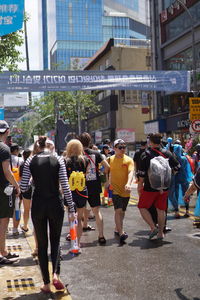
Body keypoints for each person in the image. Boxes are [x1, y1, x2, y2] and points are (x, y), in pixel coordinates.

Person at [20, 136, 75, 293]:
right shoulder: (58, 159)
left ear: (38, 146)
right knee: (56, 239)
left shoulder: (31, 161)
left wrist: (32, 181)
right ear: (50, 146)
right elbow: (65, 185)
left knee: (42, 244)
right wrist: (71, 207)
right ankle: (56, 274)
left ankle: (45, 283)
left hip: (38, 204)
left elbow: (24, 187)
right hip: (55, 203)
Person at [137, 133, 180, 240]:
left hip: (149, 187)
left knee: (142, 207)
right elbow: (177, 167)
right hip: (164, 187)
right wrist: (169, 175)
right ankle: (161, 232)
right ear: (160, 141)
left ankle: (153, 227)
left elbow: (141, 174)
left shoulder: (146, 154)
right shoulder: (167, 153)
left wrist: (139, 186)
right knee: (161, 209)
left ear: (150, 142)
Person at [79, 132, 109, 245]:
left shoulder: (78, 154)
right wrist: (101, 174)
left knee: (80, 211)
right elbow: (107, 167)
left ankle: (77, 238)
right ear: (90, 141)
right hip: (94, 185)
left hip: (80, 185)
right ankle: (101, 235)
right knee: (96, 211)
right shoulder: (96, 153)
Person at [0, 120, 20, 265]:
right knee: (3, 222)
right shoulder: (4, 149)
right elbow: (7, 172)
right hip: (3, 191)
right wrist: (16, 186)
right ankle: (2, 253)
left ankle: (4, 251)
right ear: (7, 132)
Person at [63, 139, 89, 251]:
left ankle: (73, 241)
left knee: (71, 217)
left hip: (70, 192)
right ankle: (78, 242)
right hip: (82, 191)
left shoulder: (65, 161)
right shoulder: (85, 160)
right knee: (80, 217)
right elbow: (86, 174)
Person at [107, 139, 134, 243]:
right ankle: (121, 232)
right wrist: (106, 182)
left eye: (124, 147)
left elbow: (131, 172)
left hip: (126, 190)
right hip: (115, 190)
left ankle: (117, 227)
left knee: (122, 211)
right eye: (120, 147)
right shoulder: (110, 160)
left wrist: (128, 183)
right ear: (114, 149)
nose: (123, 149)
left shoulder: (128, 160)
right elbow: (104, 171)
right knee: (118, 211)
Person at [10, 143, 24, 236]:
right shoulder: (21, 160)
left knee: (6, 209)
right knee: (17, 208)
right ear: (16, 151)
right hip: (18, 187)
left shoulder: (6, 159)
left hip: (7, 187)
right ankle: (15, 229)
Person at [20, 149, 32, 233]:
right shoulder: (34, 162)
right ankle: (36, 228)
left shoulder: (23, 165)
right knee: (35, 210)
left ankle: (25, 225)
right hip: (35, 188)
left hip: (26, 189)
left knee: (26, 209)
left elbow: (21, 178)